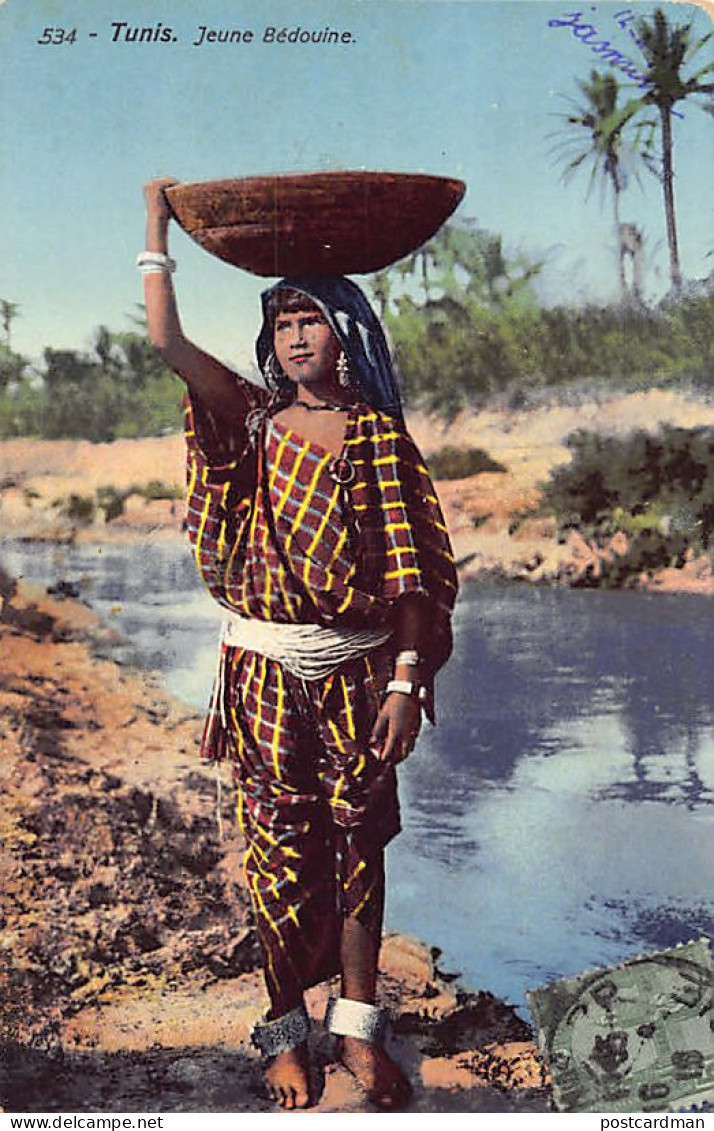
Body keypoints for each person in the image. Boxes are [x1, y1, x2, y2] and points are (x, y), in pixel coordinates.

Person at [140, 177, 458, 1110]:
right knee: (278, 850)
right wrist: (156, 225)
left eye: (310, 318)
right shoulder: (248, 420)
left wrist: (406, 681)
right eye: (280, 322)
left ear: (349, 334)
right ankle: (284, 1030)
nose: (294, 336)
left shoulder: (379, 439)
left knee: (361, 844)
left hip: (361, 671)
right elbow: (165, 342)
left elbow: (412, 576)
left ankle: (358, 1027)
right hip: (266, 671)